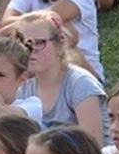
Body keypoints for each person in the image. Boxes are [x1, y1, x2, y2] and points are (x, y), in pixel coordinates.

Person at [7, 11, 104, 142]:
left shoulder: (80, 84)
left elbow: (94, 145)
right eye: (25, 44)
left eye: (39, 42)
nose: (31, 50)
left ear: (59, 45)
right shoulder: (24, 89)